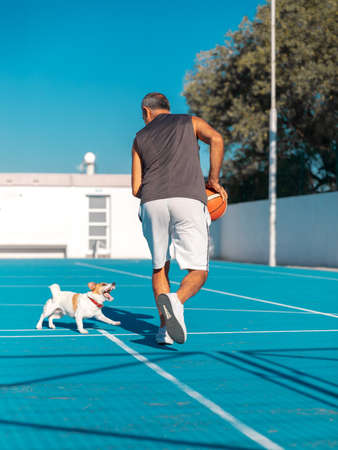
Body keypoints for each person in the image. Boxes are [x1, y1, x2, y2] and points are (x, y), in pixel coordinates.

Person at [131, 92, 226, 345]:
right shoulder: (190, 121)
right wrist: (213, 181)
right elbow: (216, 139)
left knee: (160, 266)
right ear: (168, 109)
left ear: (146, 111)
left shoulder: (140, 137)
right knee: (199, 270)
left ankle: (164, 331)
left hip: (152, 201)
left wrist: (156, 193)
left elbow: (135, 187)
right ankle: (177, 300)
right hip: (189, 199)